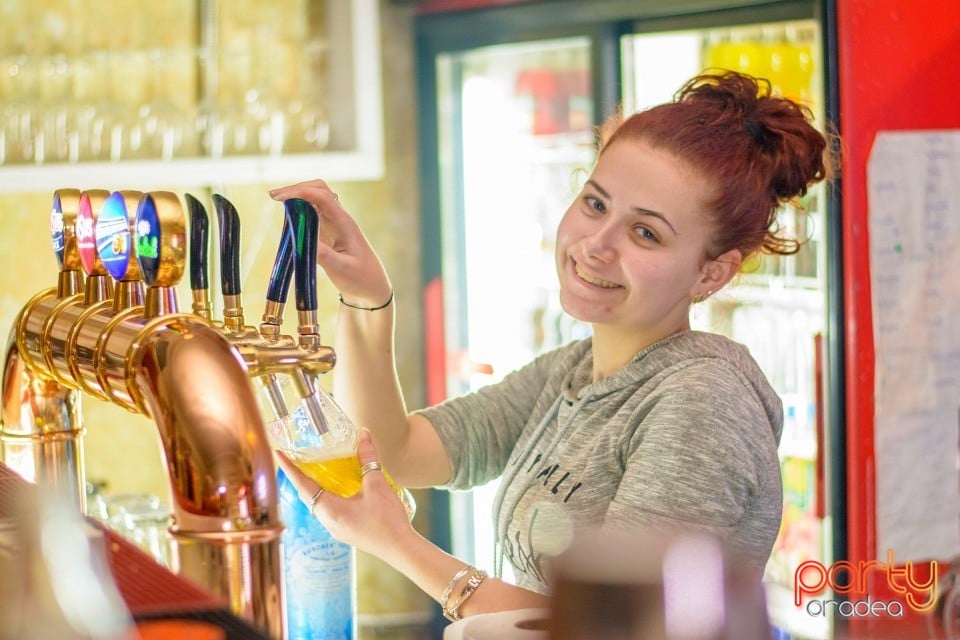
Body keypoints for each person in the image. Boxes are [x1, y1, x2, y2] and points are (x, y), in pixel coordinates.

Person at [269, 70, 832, 622]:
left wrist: (399, 544)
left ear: (711, 274)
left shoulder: (703, 405)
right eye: (595, 204)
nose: (596, 245)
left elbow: (613, 624)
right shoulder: (576, 371)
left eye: (646, 233)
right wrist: (367, 298)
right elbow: (397, 452)